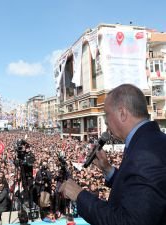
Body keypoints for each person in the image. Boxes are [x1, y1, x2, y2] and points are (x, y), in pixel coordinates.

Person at [59, 84, 166, 225]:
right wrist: (108, 169)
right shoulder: (148, 142)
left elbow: (129, 221)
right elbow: (136, 189)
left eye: (106, 115)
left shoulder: (145, 154)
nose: (106, 122)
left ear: (122, 113)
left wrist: (79, 195)